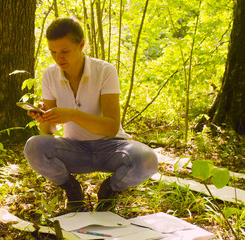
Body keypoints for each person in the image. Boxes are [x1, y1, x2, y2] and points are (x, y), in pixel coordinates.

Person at [23, 17, 158, 211]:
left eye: (65, 51)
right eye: (53, 52)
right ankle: (72, 190)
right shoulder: (49, 75)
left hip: (112, 148)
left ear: (82, 45)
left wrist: (71, 114)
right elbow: (48, 132)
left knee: (147, 159)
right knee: (34, 145)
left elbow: (111, 128)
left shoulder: (105, 71)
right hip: (74, 149)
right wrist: (44, 117)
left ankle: (110, 190)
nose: (58, 58)